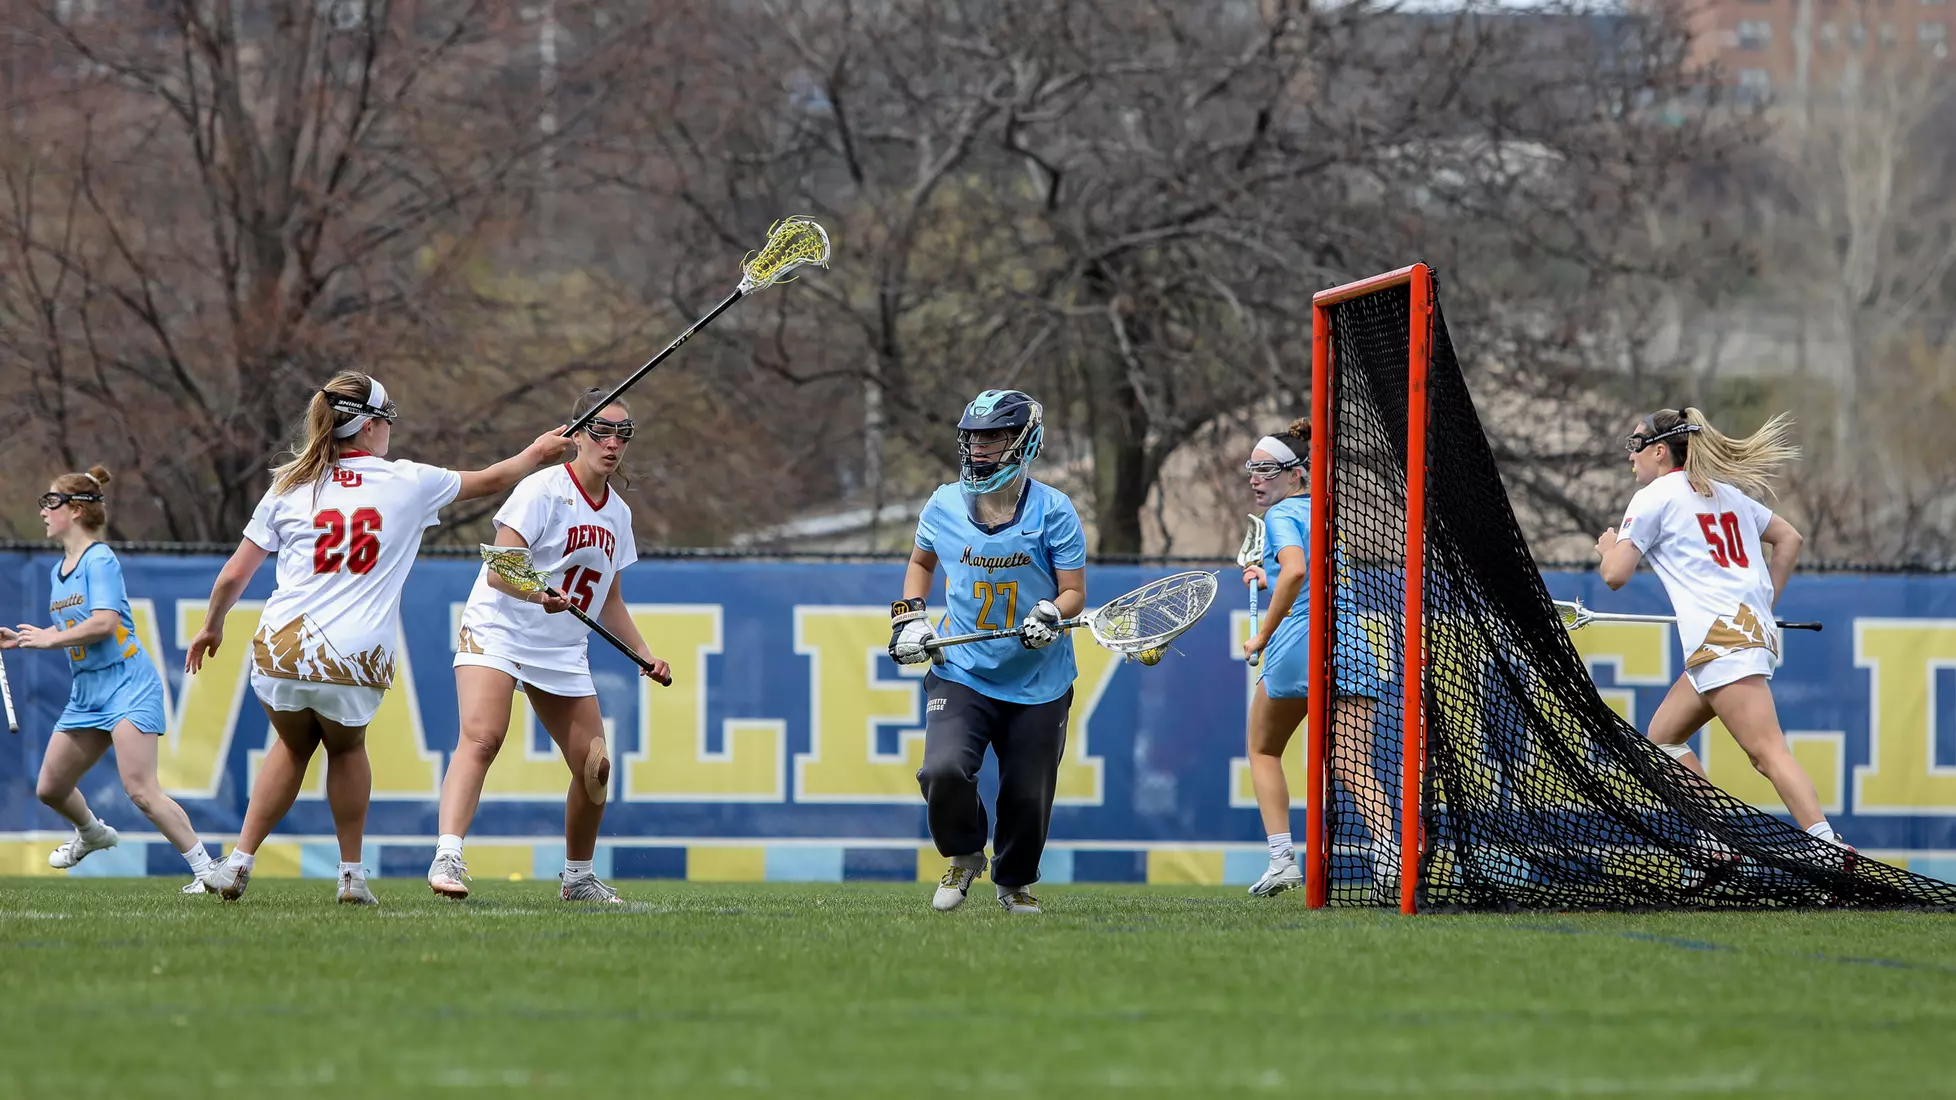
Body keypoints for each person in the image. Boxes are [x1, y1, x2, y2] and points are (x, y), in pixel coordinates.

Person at [184, 371, 575, 904]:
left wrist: (212, 625)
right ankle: (351, 876)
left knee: (294, 746)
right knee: (347, 750)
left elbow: (234, 574)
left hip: (280, 647)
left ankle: (238, 862)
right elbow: (490, 479)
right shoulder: (409, 481)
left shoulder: (289, 483)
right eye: (387, 422)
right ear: (368, 427)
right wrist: (539, 452)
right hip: (356, 654)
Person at [428, 389, 669, 904]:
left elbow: (610, 601)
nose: (611, 443)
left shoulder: (618, 515)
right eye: (601, 431)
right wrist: (538, 593)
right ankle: (448, 854)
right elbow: (500, 568)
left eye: (622, 434)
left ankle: (578, 878)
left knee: (596, 766)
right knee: (483, 737)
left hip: (559, 650)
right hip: (500, 629)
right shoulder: (543, 489)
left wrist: (644, 655)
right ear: (577, 433)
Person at [1596, 406, 1851, 861]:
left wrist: (1609, 547)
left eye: (1635, 445)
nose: (1630, 456)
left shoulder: (1655, 496)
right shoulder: (1725, 493)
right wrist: (1761, 606)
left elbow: (1615, 575)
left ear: (1659, 451)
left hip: (1723, 642)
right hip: (1731, 637)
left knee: (1766, 752)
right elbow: (1789, 537)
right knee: (1663, 736)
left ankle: (1828, 848)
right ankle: (1717, 841)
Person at [888, 389, 1084, 915]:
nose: (979, 449)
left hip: (1039, 677)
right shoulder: (943, 503)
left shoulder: (1054, 511)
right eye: (973, 438)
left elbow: (1073, 592)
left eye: (993, 437)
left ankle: (1014, 881)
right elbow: (922, 565)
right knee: (943, 770)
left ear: (1025, 441)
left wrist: (1051, 614)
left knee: (1026, 792)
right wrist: (909, 616)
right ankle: (963, 852)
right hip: (963, 670)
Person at [0, 467, 220, 895]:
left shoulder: (99, 559)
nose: (43, 512)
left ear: (76, 510)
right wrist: (21, 639)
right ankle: (92, 833)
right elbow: (72, 629)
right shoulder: (57, 571)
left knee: (140, 790)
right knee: (51, 788)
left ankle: (208, 871)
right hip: (88, 692)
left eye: (51, 503)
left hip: (128, 685)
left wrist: (48, 639)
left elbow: (104, 623)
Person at [1239, 420, 1402, 900]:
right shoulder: (1325, 511)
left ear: (1297, 475)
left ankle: (1282, 859)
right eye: (1252, 467)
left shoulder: (1281, 515)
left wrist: (1262, 635)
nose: (1255, 477)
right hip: (1351, 639)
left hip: (1299, 642)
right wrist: (1268, 577)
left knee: (1263, 750)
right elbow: (1304, 575)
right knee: (1353, 762)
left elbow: (1296, 572)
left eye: (1267, 469)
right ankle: (1391, 858)